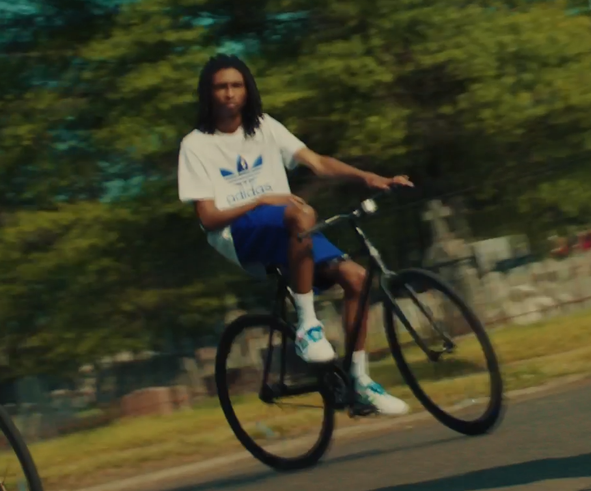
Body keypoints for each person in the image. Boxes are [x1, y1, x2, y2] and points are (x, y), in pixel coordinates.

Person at [177, 53, 414, 418]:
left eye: (236, 85)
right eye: (220, 87)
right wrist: (261, 198)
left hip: (289, 227)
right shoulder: (195, 145)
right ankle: (308, 329)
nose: (229, 93)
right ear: (208, 94)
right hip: (237, 235)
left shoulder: (265, 127)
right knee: (300, 212)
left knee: (357, 279)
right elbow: (208, 218)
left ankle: (359, 383)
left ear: (247, 89)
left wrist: (370, 177)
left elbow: (317, 162)